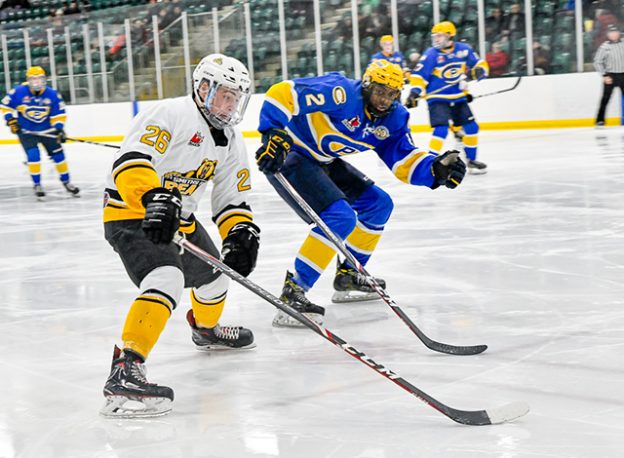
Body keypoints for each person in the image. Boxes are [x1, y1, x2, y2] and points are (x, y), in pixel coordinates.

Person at [100, 53, 259, 418]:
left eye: (236, 97)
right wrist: (153, 196)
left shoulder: (231, 140)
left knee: (218, 277)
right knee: (166, 277)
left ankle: (206, 330)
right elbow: (132, 161)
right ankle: (126, 369)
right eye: (225, 94)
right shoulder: (170, 113)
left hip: (180, 219)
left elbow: (231, 197)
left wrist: (239, 233)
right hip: (131, 212)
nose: (230, 103)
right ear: (203, 87)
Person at [254, 60, 466, 327]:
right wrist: (272, 132)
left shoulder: (394, 119)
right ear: (366, 85)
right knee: (340, 217)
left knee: (379, 205)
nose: (385, 100)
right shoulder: (340, 92)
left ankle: (348, 275)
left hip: (324, 161)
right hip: (289, 156)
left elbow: (403, 159)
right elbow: (284, 92)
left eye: (392, 94)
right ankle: (294, 291)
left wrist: (435, 169)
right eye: (380, 91)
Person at [406, 21, 489, 174]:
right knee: (441, 130)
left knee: (472, 127)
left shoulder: (464, 50)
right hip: (437, 98)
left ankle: (471, 161)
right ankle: (429, 162)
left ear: (450, 36)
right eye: (435, 36)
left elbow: (480, 63)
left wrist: (479, 71)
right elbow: (419, 76)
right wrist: (414, 93)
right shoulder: (431, 54)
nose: (436, 39)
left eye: (440, 36)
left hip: (458, 97)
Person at [1, 66, 79, 199]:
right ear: (28, 80)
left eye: (40, 78)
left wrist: (59, 128)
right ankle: (37, 184)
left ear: (45, 79)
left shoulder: (52, 94)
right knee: (33, 156)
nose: (37, 82)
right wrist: (11, 121)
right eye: (33, 79)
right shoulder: (19, 91)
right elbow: (4, 106)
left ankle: (66, 182)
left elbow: (59, 113)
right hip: (27, 132)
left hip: (48, 130)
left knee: (59, 156)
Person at [594, 24, 624, 127]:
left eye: (615, 32)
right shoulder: (604, 46)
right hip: (610, 76)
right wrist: (604, 75)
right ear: (608, 34)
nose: (613, 34)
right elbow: (597, 62)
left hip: (623, 74)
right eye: (611, 32)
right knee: (605, 98)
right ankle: (600, 120)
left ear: (618, 33)